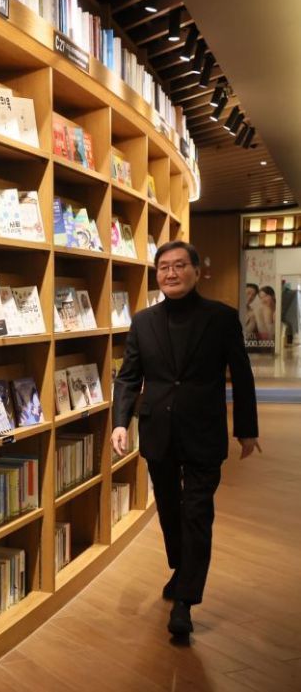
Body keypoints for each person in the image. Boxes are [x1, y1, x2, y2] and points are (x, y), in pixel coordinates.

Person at [111, 241, 260, 637]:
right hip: (158, 431)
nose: (171, 273)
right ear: (157, 274)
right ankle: (182, 568)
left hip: (203, 432)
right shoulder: (143, 321)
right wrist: (120, 422)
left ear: (197, 271)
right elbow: (128, 377)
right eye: (164, 267)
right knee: (169, 510)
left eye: (179, 265)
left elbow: (241, 374)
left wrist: (247, 428)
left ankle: (185, 602)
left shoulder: (221, 318)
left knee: (197, 513)